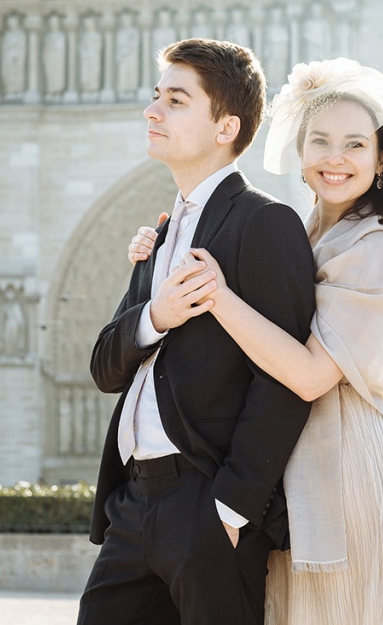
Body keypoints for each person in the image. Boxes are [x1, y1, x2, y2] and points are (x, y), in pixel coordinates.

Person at [129, 57, 383, 623]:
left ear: (381, 158)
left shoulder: (373, 245)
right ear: (299, 152)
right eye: (319, 141)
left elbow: (311, 376)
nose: (334, 158)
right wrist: (162, 251)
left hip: (346, 474)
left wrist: (217, 295)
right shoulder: (310, 233)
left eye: (354, 144)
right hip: (295, 482)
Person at [79, 39, 317, 625]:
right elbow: (105, 367)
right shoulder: (159, 237)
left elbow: (283, 380)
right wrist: (156, 315)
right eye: (156, 96)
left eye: (176, 100)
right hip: (133, 504)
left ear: (225, 127)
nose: (152, 110)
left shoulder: (266, 222)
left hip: (207, 506)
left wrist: (233, 508)